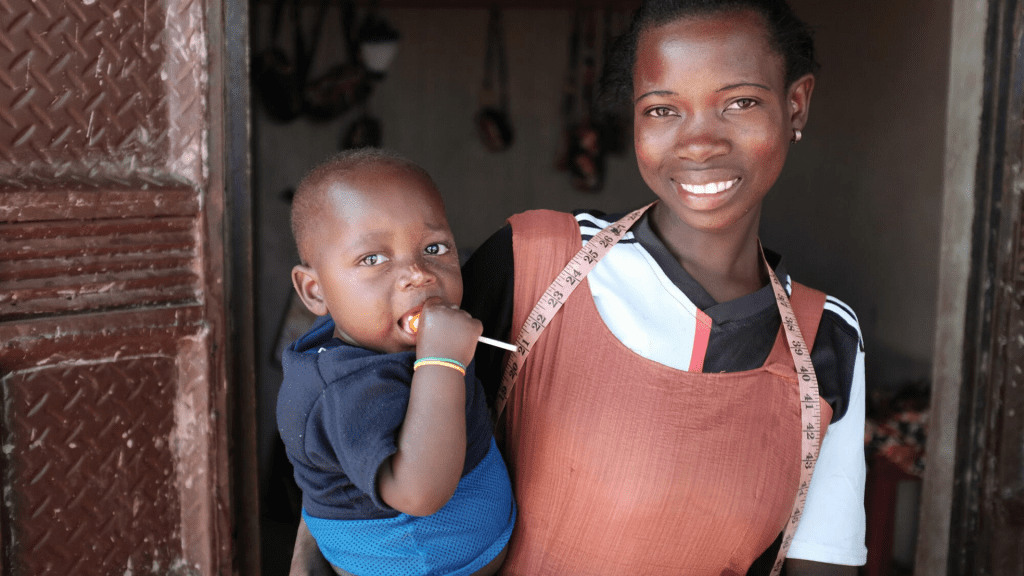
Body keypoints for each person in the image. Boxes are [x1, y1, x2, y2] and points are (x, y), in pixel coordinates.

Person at [290, 0, 866, 574]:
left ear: (796, 103)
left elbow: (822, 562)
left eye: (740, 102)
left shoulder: (826, 339)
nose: (699, 142)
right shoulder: (535, 262)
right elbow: (349, 442)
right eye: (662, 109)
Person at [277, 148, 516, 576]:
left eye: (435, 247)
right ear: (315, 291)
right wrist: (442, 361)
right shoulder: (343, 389)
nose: (417, 273)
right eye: (373, 259)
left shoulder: (407, 339)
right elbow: (420, 493)